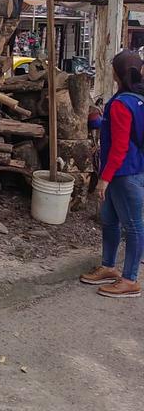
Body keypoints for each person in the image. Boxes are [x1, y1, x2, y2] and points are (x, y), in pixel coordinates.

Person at [79, 50, 144, 298]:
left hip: (123, 173)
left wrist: (104, 180)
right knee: (109, 219)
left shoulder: (120, 104)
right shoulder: (138, 98)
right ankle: (108, 266)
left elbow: (119, 147)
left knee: (133, 226)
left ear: (116, 72)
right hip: (134, 169)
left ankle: (130, 279)